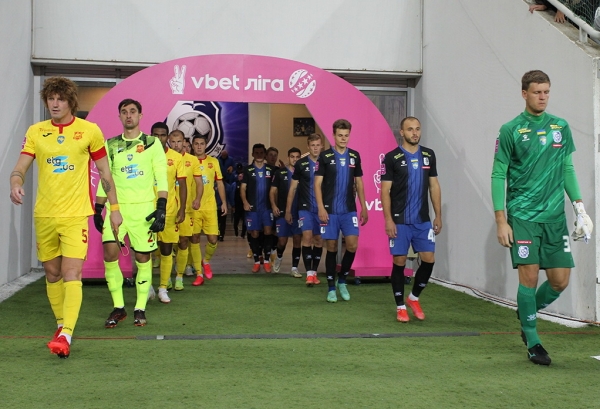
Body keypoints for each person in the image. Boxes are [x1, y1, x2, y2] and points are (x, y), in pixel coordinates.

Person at [9, 77, 122, 358]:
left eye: (60, 98)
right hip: (45, 215)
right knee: (52, 273)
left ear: (71, 101)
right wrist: (15, 182)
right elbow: (20, 168)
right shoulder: (36, 132)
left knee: (72, 273)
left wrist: (115, 208)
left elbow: (105, 173)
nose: (55, 103)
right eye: (51, 98)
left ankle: (67, 334)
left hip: (75, 215)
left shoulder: (89, 131)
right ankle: (61, 325)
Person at [492, 70, 593, 366]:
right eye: (537, 92)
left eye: (546, 92)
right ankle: (533, 341)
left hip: (554, 216)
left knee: (560, 280)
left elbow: (567, 168)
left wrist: (579, 208)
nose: (543, 97)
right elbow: (498, 174)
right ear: (524, 93)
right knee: (530, 276)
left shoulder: (560, 126)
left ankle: (526, 311)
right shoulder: (510, 130)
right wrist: (501, 220)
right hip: (523, 215)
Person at [94, 98, 167, 329]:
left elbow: (161, 176)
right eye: (124, 112)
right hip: (116, 209)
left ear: (140, 115)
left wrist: (161, 207)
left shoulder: (152, 143)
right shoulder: (111, 144)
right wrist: (98, 207)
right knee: (109, 255)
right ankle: (118, 307)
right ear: (119, 116)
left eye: (133, 111)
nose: (128, 115)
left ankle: (140, 308)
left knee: (143, 259)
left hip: (143, 210)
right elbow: (106, 177)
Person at [380, 116, 442, 322]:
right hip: (399, 221)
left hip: (422, 221)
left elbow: (434, 185)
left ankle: (413, 298)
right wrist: (388, 220)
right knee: (399, 261)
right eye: (410, 129)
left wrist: (438, 215)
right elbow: (385, 191)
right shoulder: (392, 157)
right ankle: (400, 306)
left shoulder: (429, 155)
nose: (414, 133)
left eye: (417, 129)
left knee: (429, 259)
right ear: (402, 133)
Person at [315, 119, 368, 302]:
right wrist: (321, 207)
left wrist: (364, 206)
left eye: (346, 135)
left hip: (349, 210)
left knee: (352, 245)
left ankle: (342, 280)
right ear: (334, 136)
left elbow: (359, 182)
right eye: (340, 135)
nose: (343, 138)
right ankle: (331, 287)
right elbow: (317, 184)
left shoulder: (355, 156)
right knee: (331, 247)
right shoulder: (325, 157)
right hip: (329, 211)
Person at [150, 123, 187, 304]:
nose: (159, 138)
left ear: (167, 137)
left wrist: (182, 208)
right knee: (145, 250)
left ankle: (163, 288)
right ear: (151, 135)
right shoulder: (143, 154)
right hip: (146, 209)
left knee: (166, 249)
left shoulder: (176, 157)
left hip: (169, 210)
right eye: (156, 135)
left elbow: (183, 185)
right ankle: (147, 286)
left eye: (163, 135)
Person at [286, 134, 324, 286]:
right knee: (307, 238)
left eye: (318, 145)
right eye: (312, 145)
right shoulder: (301, 164)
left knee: (319, 240)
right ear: (308, 147)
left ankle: (314, 272)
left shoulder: (326, 162)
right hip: (305, 208)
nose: (315, 148)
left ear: (321, 146)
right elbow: (293, 188)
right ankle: (308, 274)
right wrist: (288, 210)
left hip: (321, 209)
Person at [189, 135, 227, 284]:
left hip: (210, 206)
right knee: (194, 238)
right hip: (193, 207)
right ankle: (199, 273)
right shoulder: (188, 161)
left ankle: (206, 261)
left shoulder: (213, 162)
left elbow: (220, 183)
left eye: (201, 144)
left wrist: (224, 202)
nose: (199, 146)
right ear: (192, 145)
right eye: (196, 144)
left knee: (213, 239)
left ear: (206, 145)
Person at [170, 130, 203, 289]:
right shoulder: (162, 157)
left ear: (184, 142)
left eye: (179, 141)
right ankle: (166, 277)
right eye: (173, 141)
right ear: (169, 142)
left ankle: (179, 276)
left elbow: (199, 182)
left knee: (184, 242)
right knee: (167, 245)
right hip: (168, 209)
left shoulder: (192, 160)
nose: (176, 145)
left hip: (186, 209)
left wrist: (197, 199)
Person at [242, 143, 275, 273]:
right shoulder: (248, 170)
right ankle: (256, 261)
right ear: (252, 154)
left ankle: (266, 261)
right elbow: (243, 188)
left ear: (265, 154)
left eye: (261, 153)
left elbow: (276, 188)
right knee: (254, 233)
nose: (259, 155)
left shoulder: (271, 170)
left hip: (267, 208)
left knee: (268, 231)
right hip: (253, 208)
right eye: (257, 153)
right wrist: (245, 202)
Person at [270, 147, 303, 277]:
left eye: (297, 157)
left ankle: (294, 268)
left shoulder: (303, 173)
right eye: (292, 157)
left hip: (298, 212)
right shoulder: (280, 173)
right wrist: (274, 206)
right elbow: (272, 191)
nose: (295, 159)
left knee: (297, 240)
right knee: (282, 241)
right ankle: (278, 257)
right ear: (288, 158)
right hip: (283, 212)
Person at [233, 163, 247, 238]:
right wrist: (233, 204)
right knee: (236, 221)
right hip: (237, 206)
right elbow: (232, 195)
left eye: (241, 176)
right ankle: (236, 231)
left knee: (244, 221)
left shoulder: (246, 185)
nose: (240, 177)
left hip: (244, 205)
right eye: (239, 176)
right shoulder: (234, 184)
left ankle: (243, 234)